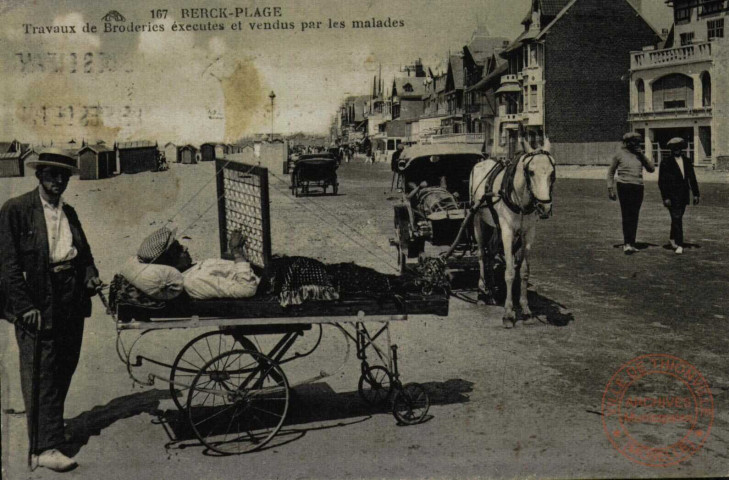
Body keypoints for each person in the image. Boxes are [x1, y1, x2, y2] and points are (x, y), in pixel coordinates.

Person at [0, 149, 102, 472]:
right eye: (51, 175)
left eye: (64, 176)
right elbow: (8, 265)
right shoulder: (16, 210)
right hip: (37, 299)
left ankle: (51, 428)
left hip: (70, 296)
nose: (58, 181)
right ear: (38, 175)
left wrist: (90, 276)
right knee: (41, 370)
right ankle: (43, 448)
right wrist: (24, 306)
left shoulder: (69, 212)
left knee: (64, 365)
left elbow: (83, 253)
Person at [134, 226, 259, 299]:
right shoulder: (194, 280)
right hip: (262, 288)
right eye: (178, 249)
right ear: (169, 261)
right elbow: (247, 289)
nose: (185, 248)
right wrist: (236, 252)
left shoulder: (189, 269)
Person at [607, 132, 655, 254]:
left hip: (638, 187)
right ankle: (627, 243)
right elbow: (611, 173)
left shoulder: (639, 155)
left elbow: (651, 169)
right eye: (633, 141)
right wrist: (610, 189)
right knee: (626, 215)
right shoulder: (619, 154)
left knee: (635, 215)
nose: (636, 144)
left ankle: (632, 242)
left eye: (638, 141)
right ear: (627, 143)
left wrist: (642, 155)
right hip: (624, 186)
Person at [659, 137, 700, 255]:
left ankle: (672, 238)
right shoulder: (665, 162)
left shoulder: (687, 161)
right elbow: (662, 182)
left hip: (683, 195)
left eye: (679, 147)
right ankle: (679, 244)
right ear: (671, 149)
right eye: (674, 148)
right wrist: (665, 197)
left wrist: (696, 194)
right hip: (671, 197)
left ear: (682, 148)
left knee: (677, 218)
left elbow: (692, 178)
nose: (676, 149)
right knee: (677, 218)